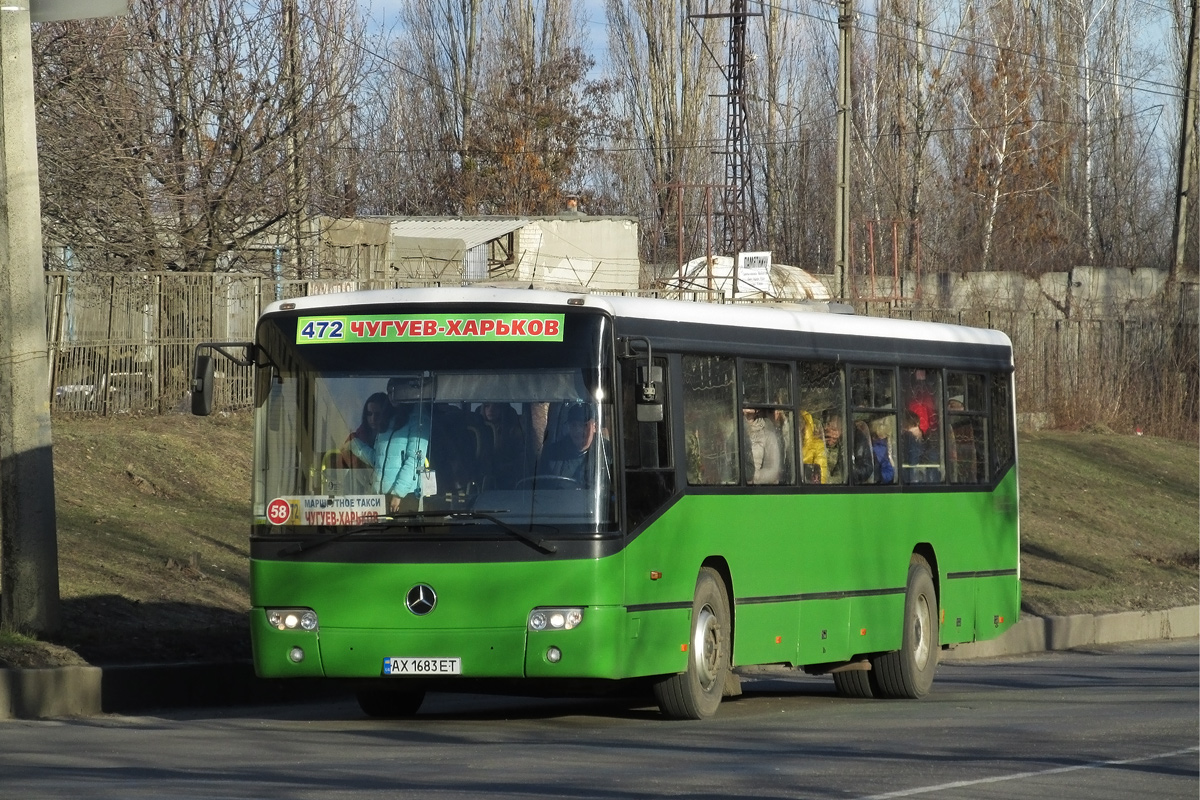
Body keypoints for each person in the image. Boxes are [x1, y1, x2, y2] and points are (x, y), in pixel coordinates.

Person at [347, 377, 433, 512]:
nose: (392, 396)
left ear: (407, 392)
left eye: (396, 391)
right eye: (389, 392)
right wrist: (356, 446)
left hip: (404, 498)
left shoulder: (419, 418)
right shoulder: (388, 421)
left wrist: (398, 494)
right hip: (378, 496)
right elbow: (377, 460)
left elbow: (415, 460)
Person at [537, 403, 609, 487]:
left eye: (584, 425)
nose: (578, 430)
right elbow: (541, 490)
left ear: (595, 427)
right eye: (574, 425)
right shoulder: (552, 454)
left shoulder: (608, 453)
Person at [339, 392, 392, 469]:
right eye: (369, 413)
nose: (373, 418)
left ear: (386, 415)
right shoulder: (354, 439)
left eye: (377, 414)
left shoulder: (393, 441)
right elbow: (343, 467)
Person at [742, 407, 783, 485]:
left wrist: (752, 475)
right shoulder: (734, 431)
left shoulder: (768, 435)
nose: (745, 406)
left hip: (757, 490)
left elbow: (773, 471)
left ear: (757, 410)